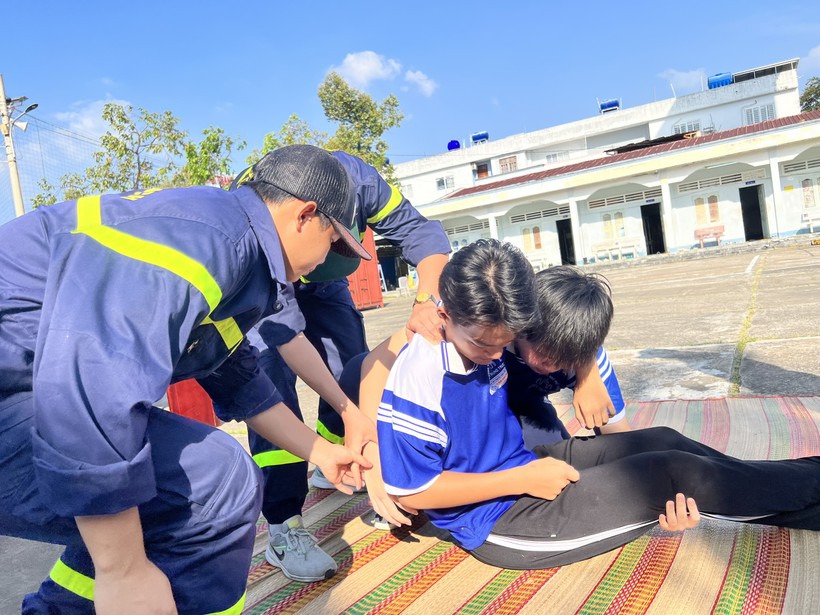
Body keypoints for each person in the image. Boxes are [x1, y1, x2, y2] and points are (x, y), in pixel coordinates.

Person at [0, 144, 373, 615]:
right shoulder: (206, 241)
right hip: (27, 391)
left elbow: (237, 378)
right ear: (305, 215)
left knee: (178, 496)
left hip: (28, 388)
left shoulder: (229, 243)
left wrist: (322, 452)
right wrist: (123, 569)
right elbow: (91, 388)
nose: (328, 261)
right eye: (334, 241)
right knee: (212, 483)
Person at [373, 238, 820, 570]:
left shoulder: (495, 326)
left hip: (526, 463)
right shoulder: (423, 372)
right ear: (443, 314)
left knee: (661, 443)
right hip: (502, 522)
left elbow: (565, 336)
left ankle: (805, 478)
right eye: (480, 345)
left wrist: (584, 374)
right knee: (673, 477)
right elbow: (412, 489)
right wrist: (521, 478)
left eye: (507, 343)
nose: (496, 355)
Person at [232, 151, 451, 581]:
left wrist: (426, 302)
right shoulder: (254, 210)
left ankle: (342, 459)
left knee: (352, 364)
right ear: (306, 217)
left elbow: (422, 235)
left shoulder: (359, 183)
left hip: (323, 282)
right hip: (267, 273)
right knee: (269, 383)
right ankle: (283, 522)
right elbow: (286, 337)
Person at [505, 266, 632, 452]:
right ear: (522, 327)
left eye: (562, 362)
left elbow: (621, 440)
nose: (550, 367)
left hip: (531, 404)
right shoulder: (494, 344)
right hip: (485, 408)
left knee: (553, 451)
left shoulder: (581, 353)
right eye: (544, 355)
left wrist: (587, 378)